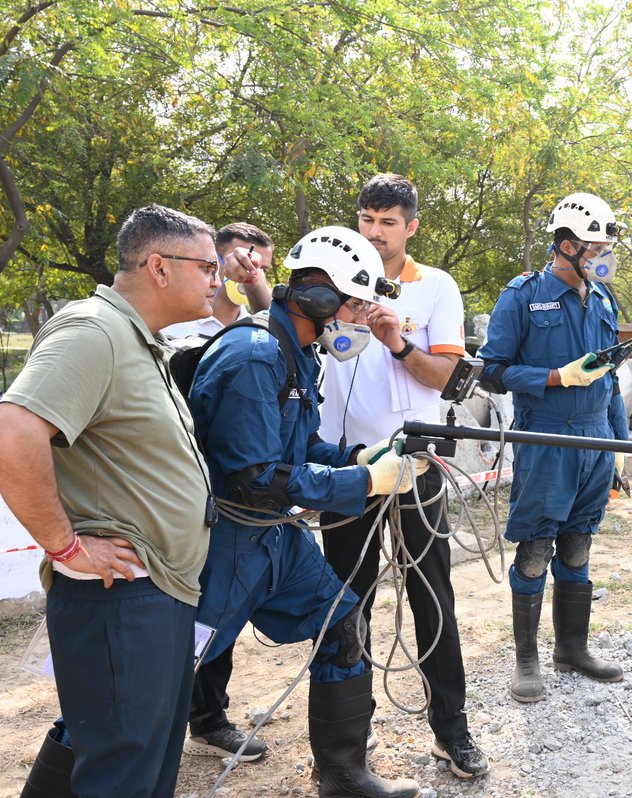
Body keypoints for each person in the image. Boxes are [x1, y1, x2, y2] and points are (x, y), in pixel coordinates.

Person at [187, 225, 422, 798]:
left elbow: (298, 448)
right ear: (319, 299)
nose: (362, 317)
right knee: (155, 672)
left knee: (341, 620)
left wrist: (359, 456)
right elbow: (257, 478)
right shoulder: (253, 355)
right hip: (224, 543)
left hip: (275, 542)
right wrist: (362, 482)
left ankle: (343, 777)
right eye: (355, 304)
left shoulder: (296, 354)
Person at [0, 204, 221, 798]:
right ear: (159, 267)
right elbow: (13, 431)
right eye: (207, 266)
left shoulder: (136, 338)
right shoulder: (92, 330)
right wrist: (64, 545)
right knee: (121, 774)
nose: (216, 280)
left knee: (146, 768)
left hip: (155, 594)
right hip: (118, 601)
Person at [318, 174, 488, 778]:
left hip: (416, 464)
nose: (375, 231)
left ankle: (452, 731)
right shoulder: (328, 280)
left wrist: (396, 345)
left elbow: (447, 378)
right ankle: (344, 751)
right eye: (367, 219)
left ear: (411, 227)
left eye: (388, 221)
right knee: (345, 603)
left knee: (431, 597)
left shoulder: (435, 286)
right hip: (349, 467)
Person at [478, 191, 631, 703]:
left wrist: (619, 446)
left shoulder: (605, 299)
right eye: (593, 247)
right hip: (545, 437)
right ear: (565, 245)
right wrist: (554, 377)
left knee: (579, 543)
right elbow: (492, 371)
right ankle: (527, 660)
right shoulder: (522, 296)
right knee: (537, 548)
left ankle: (572, 648)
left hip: (596, 440)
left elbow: (611, 380)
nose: (602, 255)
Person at [161, 221, 276, 762]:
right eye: (227, 266)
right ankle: (137, 720)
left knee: (217, 617)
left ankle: (206, 718)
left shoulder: (254, 334)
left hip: (226, 504)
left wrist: (252, 288)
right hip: (169, 502)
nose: (240, 275)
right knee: (172, 624)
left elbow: (276, 320)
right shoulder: (173, 326)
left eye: (261, 268)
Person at [162, 222, 274, 341]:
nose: (247, 273)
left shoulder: (259, 331)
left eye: (262, 270)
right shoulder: (171, 323)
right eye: (239, 262)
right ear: (214, 260)